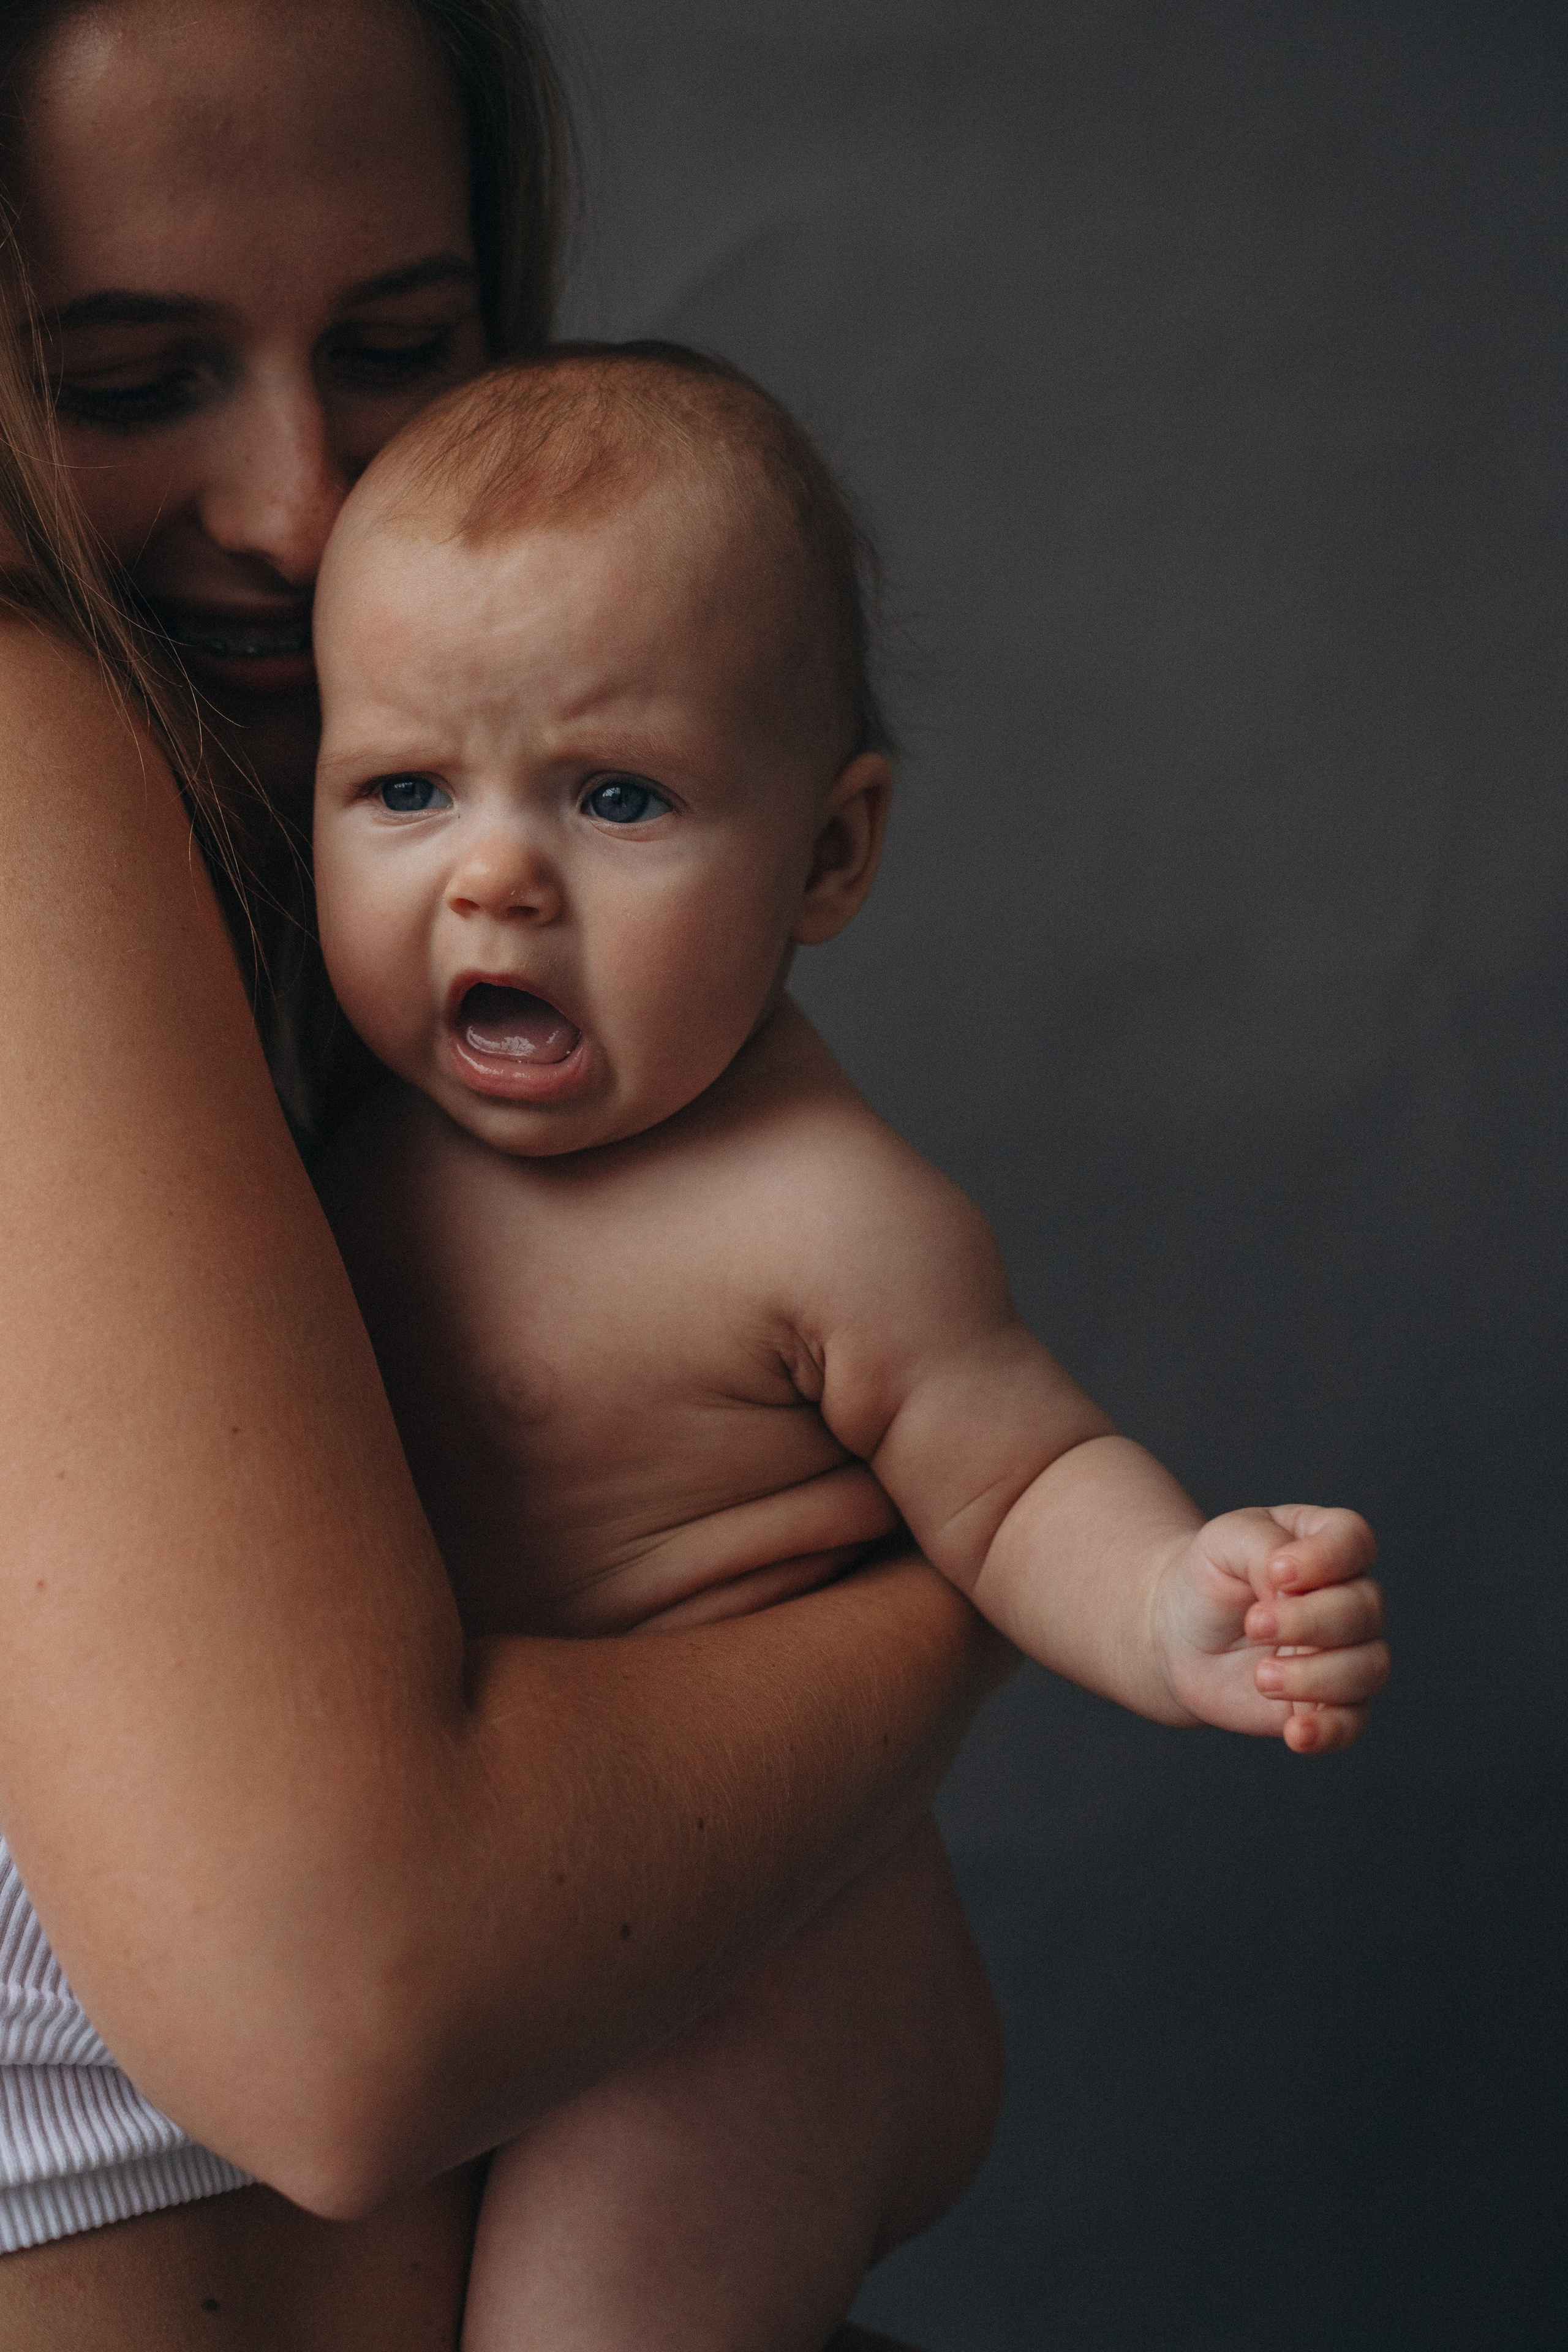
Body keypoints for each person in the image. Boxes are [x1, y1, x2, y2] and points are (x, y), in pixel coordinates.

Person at [0, 6, 1007, 2345]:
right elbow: (341, 2009)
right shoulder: (19, 752)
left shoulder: (343, 903)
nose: (300, 509)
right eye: (132, 382)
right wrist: (984, 1560)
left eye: (398, 351)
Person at [308, 344, 1390, 2351]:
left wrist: (1173, 1599)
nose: (493, 875)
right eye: (404, 789)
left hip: (768, 1975)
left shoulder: (823, 1215)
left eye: (616, 797)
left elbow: (1019, 1478)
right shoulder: (331, 1119)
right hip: (521, 1916)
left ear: (828, 854)